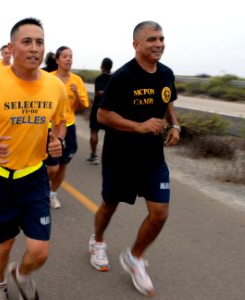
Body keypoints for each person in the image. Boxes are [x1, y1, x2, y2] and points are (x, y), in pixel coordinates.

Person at [0, 17, 67, 300]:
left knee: (39, 251)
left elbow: (60, 122)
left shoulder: (54, 86)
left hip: (33, 178)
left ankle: (21, 274)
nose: (34, 48)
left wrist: (58, 140)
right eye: (27, 41)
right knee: (4, 245)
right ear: (12, 47)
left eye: (40, 42)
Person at [88, 21, 180, 297]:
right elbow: (102, 116)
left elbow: (168, 102)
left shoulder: (166, 73)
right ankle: (98, 241)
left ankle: (135, 257)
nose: (159, 44)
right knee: (110, 204)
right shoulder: (123, 76)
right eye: (152, 39)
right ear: (136, 44)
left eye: (161, 38)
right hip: (120, 157)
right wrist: (137, 126)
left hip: (152, 158)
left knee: (160, 212)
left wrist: (174, 125)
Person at [46, 46, 89, 209]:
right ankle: (40, 188)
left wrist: (77, 93)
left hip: (68, 127)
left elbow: (81, 108)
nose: (68, 59)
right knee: (51, 167)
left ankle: (52, 194)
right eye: (65, 56)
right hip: (48, 128)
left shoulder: (76, 80)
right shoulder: (47, 78)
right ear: (57, 60)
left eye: (71, 56)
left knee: (62, 164)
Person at [87, 57, 113, 165]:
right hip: (111, 110)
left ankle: (94, 155)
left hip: (98, 109)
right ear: (111, 67)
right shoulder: (115, 78)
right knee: (110, 134)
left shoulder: (99, 79)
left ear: (102, 66)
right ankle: (109, 157)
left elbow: (99, 92)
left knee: (94, 132)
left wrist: (99, 96)